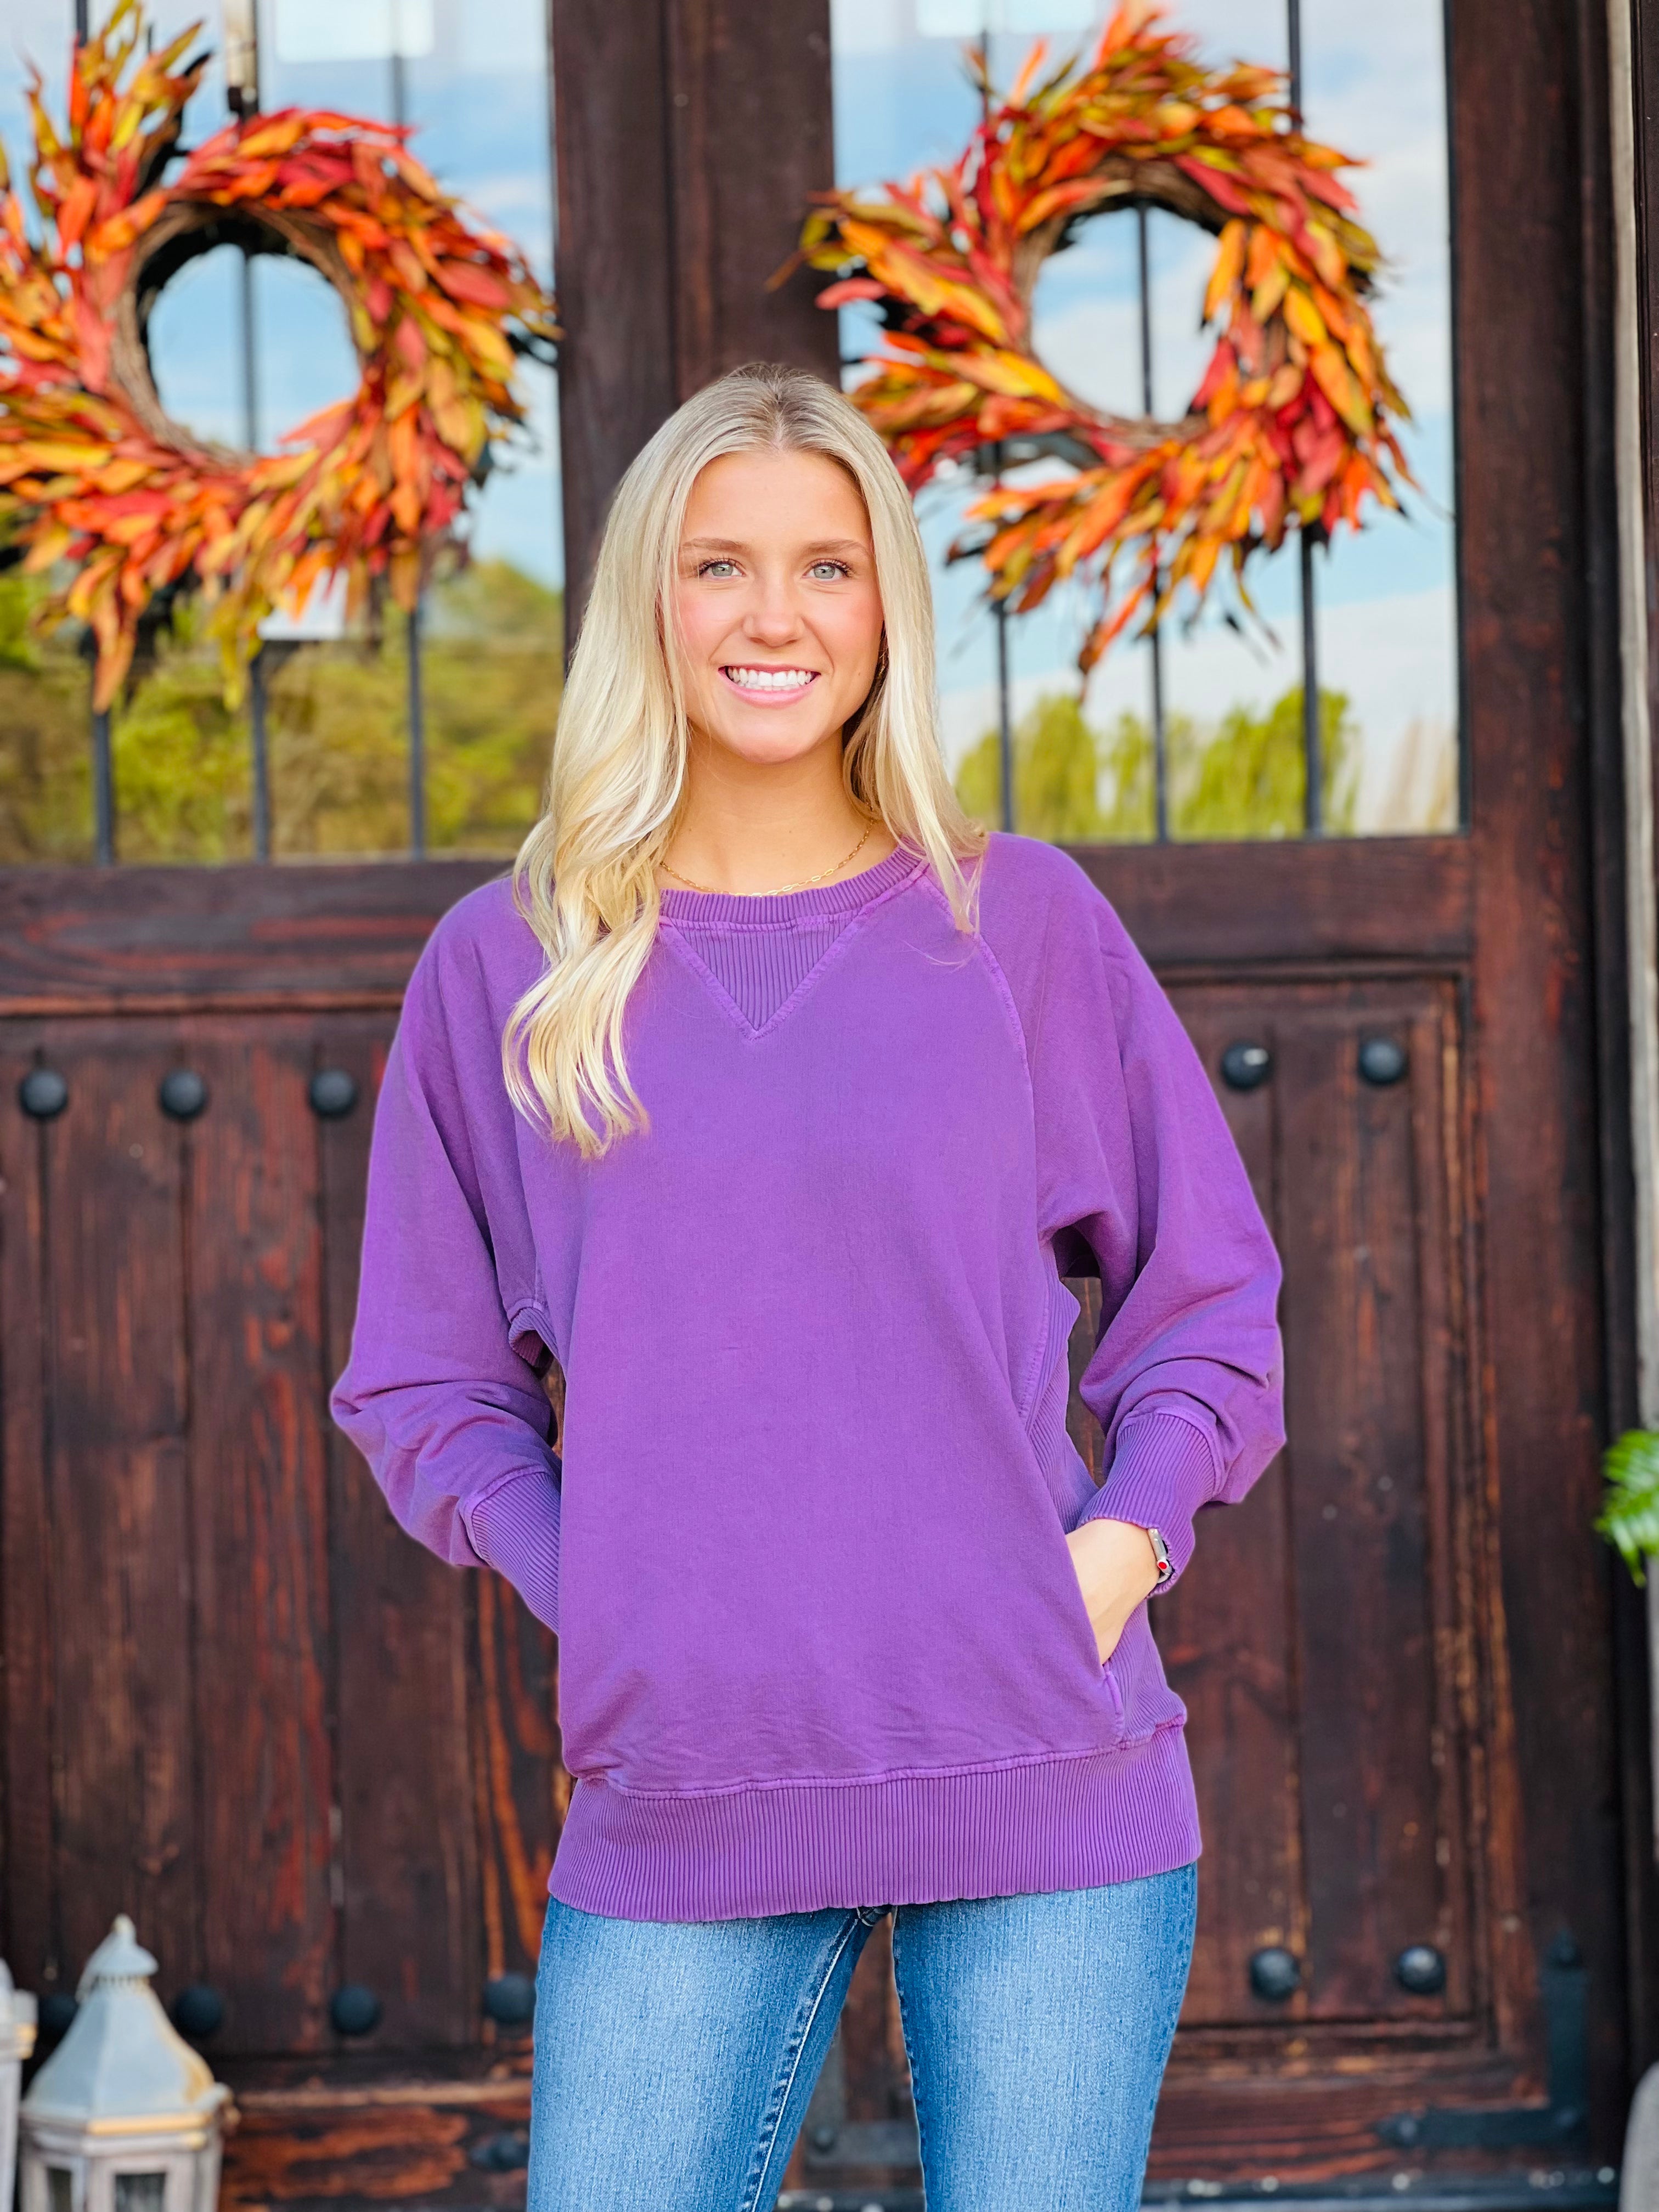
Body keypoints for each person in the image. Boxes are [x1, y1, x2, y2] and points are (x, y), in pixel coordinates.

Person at [330, 360, 1285, 2212]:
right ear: (651, 603)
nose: (776, 617)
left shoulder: (1015, 926)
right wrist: (607, 1585)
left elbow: (1208, 1308)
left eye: (827, 568)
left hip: (1040, 1761)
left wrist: (1117, 1551)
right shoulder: (513, 963)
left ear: (885, 610)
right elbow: (426, 1385)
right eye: (721, 566)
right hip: (690, 1781)